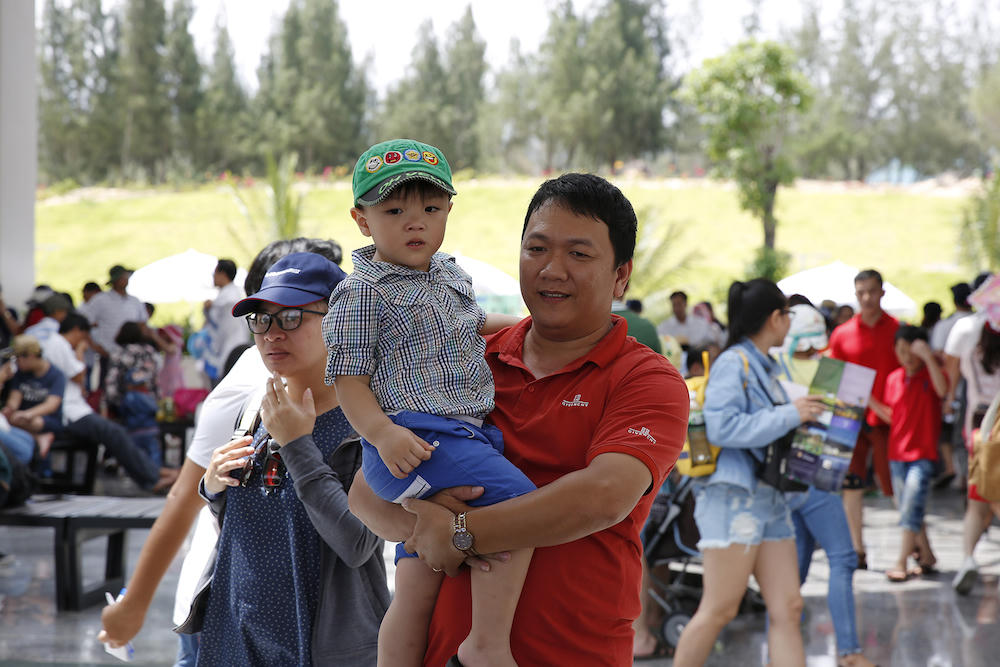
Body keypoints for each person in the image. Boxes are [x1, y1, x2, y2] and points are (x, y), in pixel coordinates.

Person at [348, 172, 689, 666]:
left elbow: (602, 498)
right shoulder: (460, 360)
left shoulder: (645, 379)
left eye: (579, 254)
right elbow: (363, 493)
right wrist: (423, 521)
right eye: (537, 249)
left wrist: (462, 531)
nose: (552, 269)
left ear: (622, 274)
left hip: (573, 653)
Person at [324, 138, 535, 667]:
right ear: (362, 219)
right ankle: (486, 645)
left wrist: (525, 328)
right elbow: (348, 379)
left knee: (415, 576)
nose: (414, 223)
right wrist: (382, 434)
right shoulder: (362, 291)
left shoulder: (448, 274)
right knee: (518, 507)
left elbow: (469, 326)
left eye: (431, 209)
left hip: (456, 433)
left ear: (447, 212)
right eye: (394, 210)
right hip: (415, 436)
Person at [97, 237, 346, 666]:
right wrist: (133, 605)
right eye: (269, 316)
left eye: (296, 314)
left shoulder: (348, 392)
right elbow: (185, 496)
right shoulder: (255, 384)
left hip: (299, 620)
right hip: (225, 612)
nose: (276, 332)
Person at [197, 251, 387, 666]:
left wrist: (298, 445)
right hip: (236, 638)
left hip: (320, 646)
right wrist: (212, 483)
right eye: (261, 319)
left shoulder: (371, 422)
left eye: (291, 317)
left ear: (339, 320)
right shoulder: (257, 406)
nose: (271, 334)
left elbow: (357, 542)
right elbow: (253, 517)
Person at [672, 279, 824, 667]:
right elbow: (724, 428)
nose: (788, 323)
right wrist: (793, 413)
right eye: (787, 315)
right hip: (732, 498)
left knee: (788, 607)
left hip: (768, 498)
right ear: (776, 318)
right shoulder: (732, 363)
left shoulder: (763, 365)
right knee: (720, 608)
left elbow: (766, 426)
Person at [774, 303, 877, 667]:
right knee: (843, 558)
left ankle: (781, 642)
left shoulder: (772, 367)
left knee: (798, 565)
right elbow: (846, 430)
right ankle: (849, 651)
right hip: (819, 479)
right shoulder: (835, 372)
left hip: (782, 480)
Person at [827, 269, 899, 569]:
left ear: (882, 292)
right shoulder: (842, 334)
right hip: (849, 420)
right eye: (861, 293)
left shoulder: (897, 330)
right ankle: (857, 549)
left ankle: (916, 545)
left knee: (896, 484)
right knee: (851, 485)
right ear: (855, 295)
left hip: (888, 420)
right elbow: (832, 377)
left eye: (872, 291)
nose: (867, 298)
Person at [879, 325, 946, 582]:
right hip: (897, 454)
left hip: (923, 454)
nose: (907, 357)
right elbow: (891, 416)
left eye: (911, 351)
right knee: (910, 508)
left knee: (910, 506)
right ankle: (927, 555)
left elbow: (942, 391)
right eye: (901, 351)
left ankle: (900, 561)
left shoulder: (932, 375)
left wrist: (928, 357)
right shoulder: (893, 378)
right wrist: (867, 401)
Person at [952, 276, 1000, 594]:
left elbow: (960, 379)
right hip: (998, 423)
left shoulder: (971, 348)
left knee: (978, 501)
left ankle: (968, 558)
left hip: (979, 426)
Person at [105, 322, 163, 470]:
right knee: (150, 439)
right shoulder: (149, 352)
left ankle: (126, 467)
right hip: (148, 403)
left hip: (127, 404)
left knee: (127, 438)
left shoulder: (119, 352)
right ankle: (153, 470)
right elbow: (155, 380)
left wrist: (114, 402)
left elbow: (112, 381)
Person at [1, 335, 66, 458]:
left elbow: (51, 405)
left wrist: (28, 414)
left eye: (17, 359)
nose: (16, 363)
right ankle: (37, 438)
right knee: (11, 418)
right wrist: (10, 409)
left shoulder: (56, 375)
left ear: (30, 356)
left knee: (32, 421)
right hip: (21, 418)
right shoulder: (21, 374)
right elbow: (15, 397)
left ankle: (40, 437)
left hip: (46, 419)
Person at [201, 259, 247, 383]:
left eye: (215, 273)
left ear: (222, 274)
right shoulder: (230, 294)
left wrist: (209, 308)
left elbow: (219, 326)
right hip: (230, 348)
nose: (213, 276)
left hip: (228, 349)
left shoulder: (228, 299)